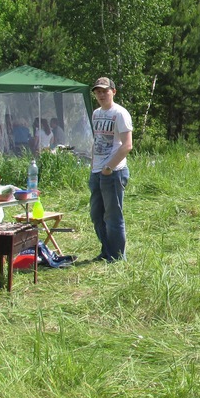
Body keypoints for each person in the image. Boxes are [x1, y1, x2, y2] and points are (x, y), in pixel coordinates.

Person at [89, 77, 133, 262]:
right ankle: (107, 251)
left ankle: (117, 257)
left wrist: (108, 167)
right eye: (98, 92)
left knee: (113, 216)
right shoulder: (96, 114)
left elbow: (127, 145)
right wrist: (94, 166)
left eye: (105, 91)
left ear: (113, 92)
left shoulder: (120, 113)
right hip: (96, 171)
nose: (101, 95)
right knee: (96, 215)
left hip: (113, 172)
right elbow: (97, 141)